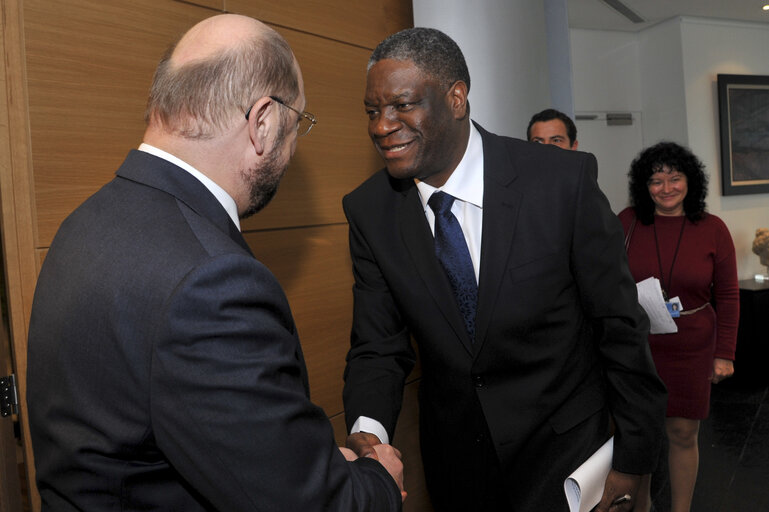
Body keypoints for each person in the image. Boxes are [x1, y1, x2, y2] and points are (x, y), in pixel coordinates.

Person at [25, 14, 404, 511]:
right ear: (263, 122)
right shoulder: (212, 281)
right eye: (298, 124)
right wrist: (379, 478)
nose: (291, 148)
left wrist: (291, 457)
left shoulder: (85, 222)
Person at [342, 27, 667, 512]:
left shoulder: (561, 182)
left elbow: (618, 325)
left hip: (569, 459)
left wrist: (637, 458)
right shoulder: (370, 211)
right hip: (458, 470)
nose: (381, 125)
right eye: (373, 110)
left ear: (456, 98)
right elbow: (377, 345)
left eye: (402, 105)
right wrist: (367, 430)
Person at [618, 142, 739, 512]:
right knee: (642, 435)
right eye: (656, 180)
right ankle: (641, 506)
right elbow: (607, 283)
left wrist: (724, 354)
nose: (666, 188)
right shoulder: (626, 221)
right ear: (644, 185)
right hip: (639, 345)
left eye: (675, 178)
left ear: (691, 181)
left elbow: (730, 296)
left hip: (692, 346)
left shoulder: (712, 228)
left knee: (683, 433)